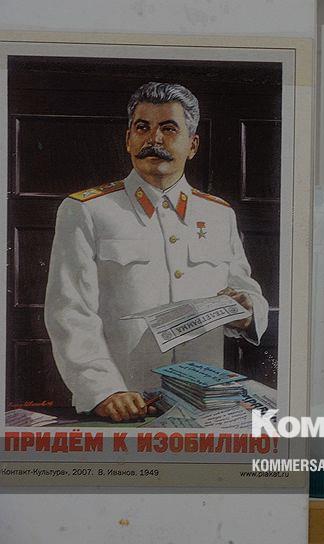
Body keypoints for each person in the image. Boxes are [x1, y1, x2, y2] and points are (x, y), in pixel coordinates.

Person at [44, 82, 269, 422]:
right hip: (125, 404)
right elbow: (69, 310)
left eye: (168, 128)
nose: (154, 139)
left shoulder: (219, 214)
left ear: (192, 145)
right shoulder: (87, 210)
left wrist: (248, 312)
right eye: (142, 128)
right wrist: (104, 390)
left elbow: (247, 291)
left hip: (206, 408)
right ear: (128, 140)